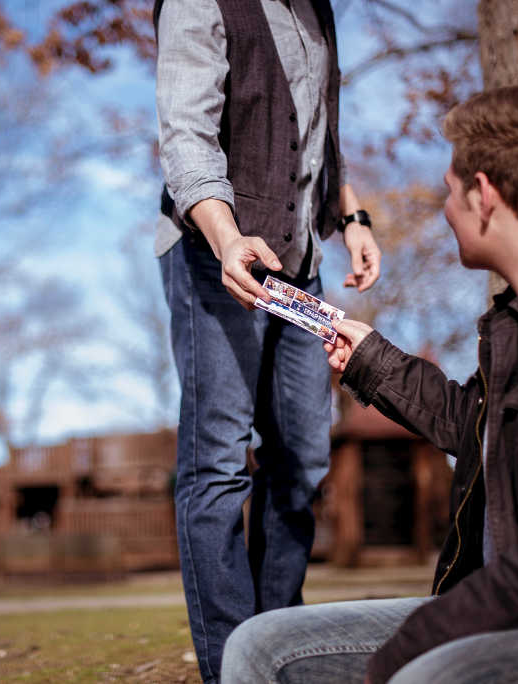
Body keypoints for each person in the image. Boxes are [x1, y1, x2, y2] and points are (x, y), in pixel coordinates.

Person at [221, 85, 518, 684]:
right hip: (499, 611)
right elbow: (472, 423)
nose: (446, 208)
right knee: (261, 646)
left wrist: (419, 640)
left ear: (485, 194)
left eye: (450, 189)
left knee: (424, 675)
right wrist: (372, 358)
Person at [153, 1, 382, 681]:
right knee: (220, 461)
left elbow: (314, 140)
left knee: (305, 460)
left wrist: (355, 217)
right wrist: (227, 241)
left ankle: (277, 646)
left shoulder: (318, 14)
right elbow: (186, 138)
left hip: (298, 268)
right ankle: (234, 668)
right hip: (211, 252)